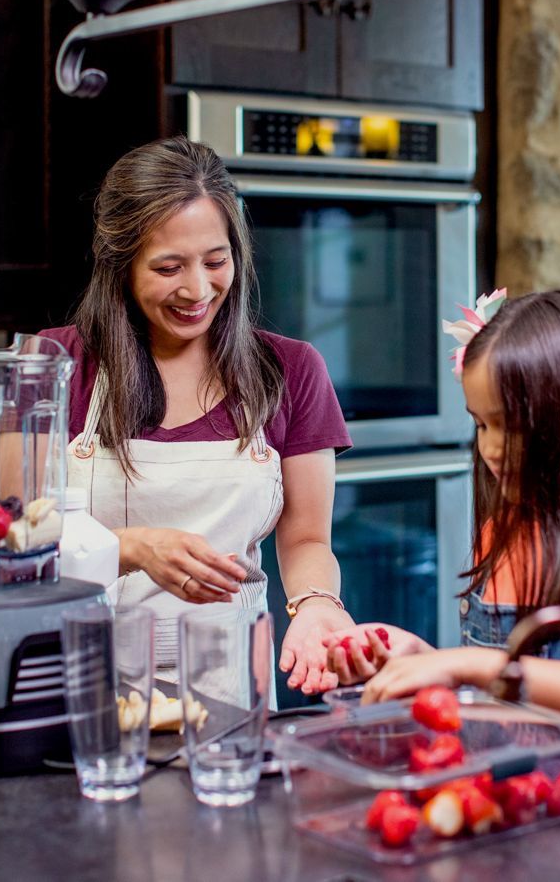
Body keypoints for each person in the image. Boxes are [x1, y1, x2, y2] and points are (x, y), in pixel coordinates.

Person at [41, 135, 355, 697]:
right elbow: (18, 537)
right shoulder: (54, 364)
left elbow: (307, 539)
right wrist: (130, 548)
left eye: (216, 261)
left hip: (227, 698)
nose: (197, 289)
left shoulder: (290, 370)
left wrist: (315, 605)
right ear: (121, 264)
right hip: (75, 695)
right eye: (168, 267)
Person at [324, 289, 560, 796]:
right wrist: (418, 661)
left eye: (511, 424)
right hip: (492, 802)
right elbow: (494, 702)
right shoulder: (502, 529)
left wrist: (473, 665)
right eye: (481, 424)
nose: (493, 447)